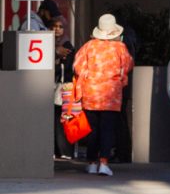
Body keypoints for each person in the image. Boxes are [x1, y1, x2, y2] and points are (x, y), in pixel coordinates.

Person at [73, 13, 134, 176]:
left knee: (92, 129)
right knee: (108, 129)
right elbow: (128, 65)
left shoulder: (89, 46)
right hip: (111, 95)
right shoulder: (120, 48)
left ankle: (91, 162)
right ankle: (104, 163)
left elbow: (77, 66)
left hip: (91, 93)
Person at [51, 16, 75, 159]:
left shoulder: (67, 46)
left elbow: (67, 68)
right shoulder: (49, 44)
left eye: (60, 27)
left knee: (62, 117)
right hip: (53, 86)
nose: (57, 30)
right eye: (54, 26)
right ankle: (56, 149)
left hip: (62, 87)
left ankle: (64, 150)